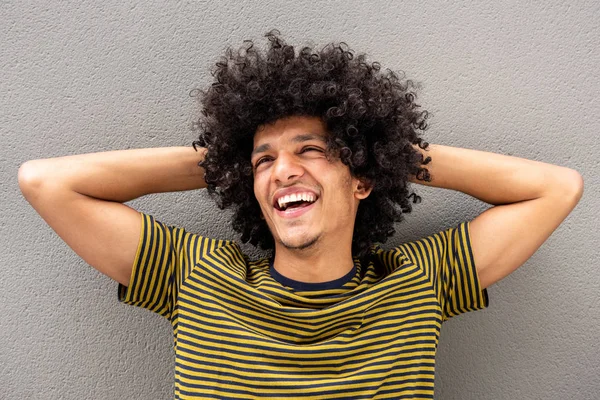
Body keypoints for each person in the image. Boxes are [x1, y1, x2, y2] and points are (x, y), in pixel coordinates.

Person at [18, 30, 583, 399]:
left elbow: (556, 189)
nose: (283, 171)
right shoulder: (197, 276)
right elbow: (46, 181)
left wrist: (386, 150)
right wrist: (230, 161)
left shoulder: (419, 283)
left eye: (310, 150)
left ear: (361, 179)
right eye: (265, 161)